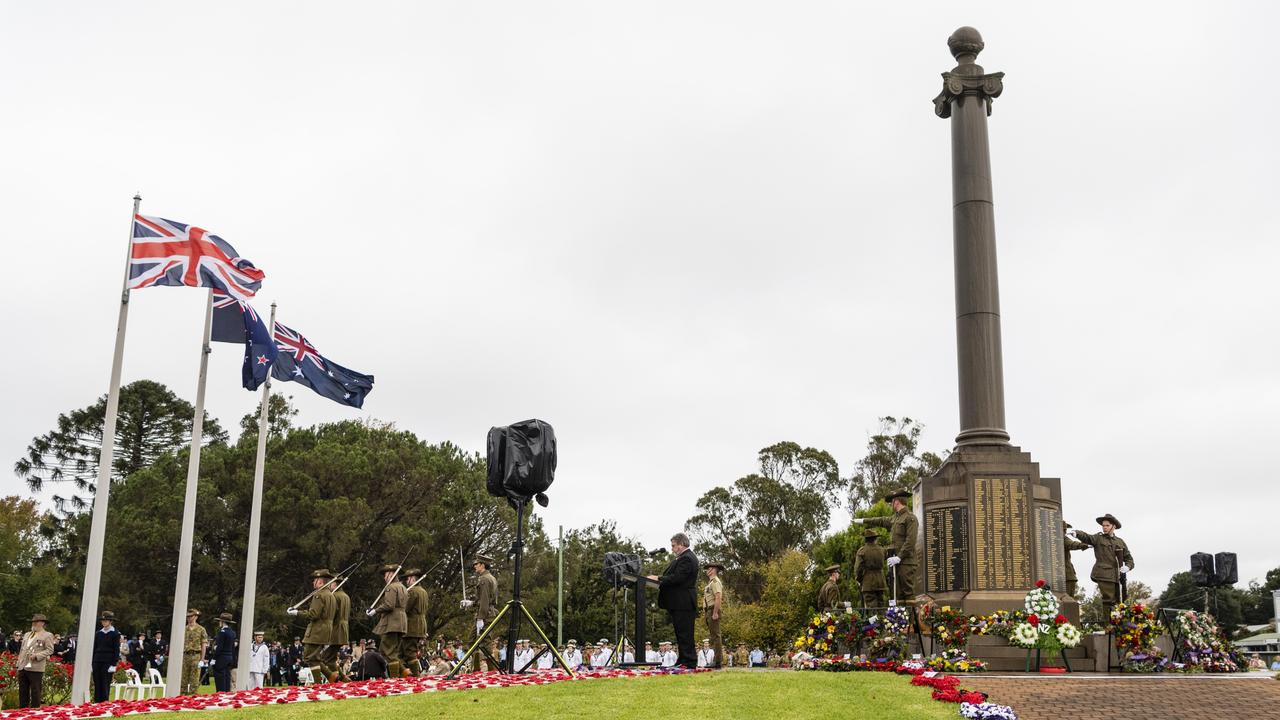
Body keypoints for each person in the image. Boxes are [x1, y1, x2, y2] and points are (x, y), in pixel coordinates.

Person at [855, 489, 920, 601]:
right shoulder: (895, 518)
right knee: (898, 595)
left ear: (897, 502)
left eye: (892, 502)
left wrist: (899, 557)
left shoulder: (910, 518)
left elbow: (910, 541)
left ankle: (912, 619)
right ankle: (901, 619)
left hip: (907, 562)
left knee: (907, 593)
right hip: (896, 562)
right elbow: (881, 520)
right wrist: (864, 520)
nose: (891, 504)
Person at [648, 532, 699, 669]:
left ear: (682, 544)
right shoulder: (682, 557)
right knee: (680, 632)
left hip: (684, 602)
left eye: (674, 545)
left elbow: (677, 578)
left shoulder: (687, 558)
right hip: (679, 602)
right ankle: (683, 659)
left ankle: (689, 661)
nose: (672, 548)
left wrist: (658, 578)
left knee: (685, 633)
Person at [1069, 514, 1134, 620]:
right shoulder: (1098, 538)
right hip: (1103, 574)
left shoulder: (1120, 541)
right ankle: (1108, 627)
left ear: (1114, 527)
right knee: (1109, 600)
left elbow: (1129, 558)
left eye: (1107, 525)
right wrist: (1077, 533)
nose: (1104, 527)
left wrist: (1128, 567)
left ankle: (1118, 625)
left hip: (1117, 576)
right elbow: (1087, 537)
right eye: (1103, 525)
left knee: (1119, 601)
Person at [287, 568, 336, 682]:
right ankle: (331, 676)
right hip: (326, 629)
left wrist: (296, 613)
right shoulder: (330, 595)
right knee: (314, 656)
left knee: (309, 656)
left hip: (317, 630)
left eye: (315, 580)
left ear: (320, 581)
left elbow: (313, 614)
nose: (313, 582)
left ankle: (320, 682)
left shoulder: (319, 594)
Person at [369, 563, 409, 677]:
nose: (384, 577)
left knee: (387, 651)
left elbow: (389, 605)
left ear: (391, 574)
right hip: (401, 622)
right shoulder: (403, 587)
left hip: (392, 622)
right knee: (392, 651)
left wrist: (375, 611)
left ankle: (395, 678)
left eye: (386, 575)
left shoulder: (391, 587)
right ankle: (405, 672)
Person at [16, 613, 55, 708]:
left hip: (36, 667)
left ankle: (35, 712)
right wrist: (18, 663)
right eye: (33, 622)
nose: (33, 624)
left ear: (42, 623)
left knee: (35, 691)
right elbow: (22, 649)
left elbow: (50, 650)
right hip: (22, 666)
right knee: (22, 691)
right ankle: (23, 711)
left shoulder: (47, 635)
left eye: (36, 622)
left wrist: (37, 656)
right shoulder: (27, 634)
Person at [468, 554, 498, 671]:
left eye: (477, 564)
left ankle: (483, 669)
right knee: (484, 641)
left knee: (476, 641)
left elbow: (485, 600)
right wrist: (471, 603)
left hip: (485, 614)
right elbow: (483, 599)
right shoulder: (491, 577)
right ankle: (486, 669)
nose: (475, 566)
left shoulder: (484, 579)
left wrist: (480, 617)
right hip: (489, 612)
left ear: (482, 565)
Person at [403, 568, 429, 676]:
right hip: (421, 624)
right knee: (412, 650)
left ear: (413, 579)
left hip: (412, 625)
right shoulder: (423, 591)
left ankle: (415, 676)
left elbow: (406, 608)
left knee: (410, 652)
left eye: (408, 579)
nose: (406, 581)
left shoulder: (412, 591)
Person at [91, 610, 121, 703]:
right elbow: (94, 648)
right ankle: (96, 702)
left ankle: (104, 702)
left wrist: (113, 664)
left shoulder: (115, 633)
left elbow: (116, 650)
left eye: (106, 620)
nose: (104, 622)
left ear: (110, 621)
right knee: (97, 682)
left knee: (105, 682)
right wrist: (91, 662)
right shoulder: (98, 633)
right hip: (97, 660)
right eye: (103, 620)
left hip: (108, 661)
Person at [855, 529, 888, 608]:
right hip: (881, 581)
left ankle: (874, 620)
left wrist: (859, 579)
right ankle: (882, 620)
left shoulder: (862, 551)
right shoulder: (882, 550)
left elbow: (858, 568)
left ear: (865, 539)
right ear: (875, 539)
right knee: (881, 606)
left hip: (868, 582)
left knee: (871, 608)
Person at [327, 575, 351, 682]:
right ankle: (343, 677)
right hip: (344, 629)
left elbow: (331, 614)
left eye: (331, 583)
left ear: (335, 584)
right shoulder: (346, 596)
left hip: (335, 629)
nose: (329, 586)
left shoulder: (334, 596)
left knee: (325, 658)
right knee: (331, 658)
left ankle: (339, 678)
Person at [702, 562, 725, 668]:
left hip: (712, 610)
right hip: (709, 610)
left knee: (716, 636)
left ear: (713, 570)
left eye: (709, 569)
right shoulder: (710, 583)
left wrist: (715, 612)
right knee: (713, 636)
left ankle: (717, 661)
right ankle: (715, 661)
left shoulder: (715, 581)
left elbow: (718, 597)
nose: (707, 571)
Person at [181, 609, 208, 695]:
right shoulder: (183, 629)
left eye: (191, 616)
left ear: (196, 617)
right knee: (183, 679)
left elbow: (203, 644)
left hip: (196, 655)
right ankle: (182, 697)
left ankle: (193, 697)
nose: (189, 618)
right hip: (185, 655)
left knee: (194, 680)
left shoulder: (201, 629)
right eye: (188, 617)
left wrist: (202, 659)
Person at [211, 613, 237, 692]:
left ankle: (221, 693)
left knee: (220, 677)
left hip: (222, 657)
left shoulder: (222, 632)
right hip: (229, 657)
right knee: (227, 676)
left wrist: (214, 658)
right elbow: (232, 647)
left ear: (222, 622)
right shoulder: (232, 632)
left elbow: (220, 648)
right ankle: (227, 693)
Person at [1062, 521, 1088, 597]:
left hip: (1067, 576)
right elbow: (1072, 544)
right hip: (1063, 576)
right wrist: (1082, 545)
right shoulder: (1059, 539)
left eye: (1065, 530)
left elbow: (1071, 544)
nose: (1065, 531)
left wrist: (1083, 545)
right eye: (1064, 529)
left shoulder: (1062, 539)